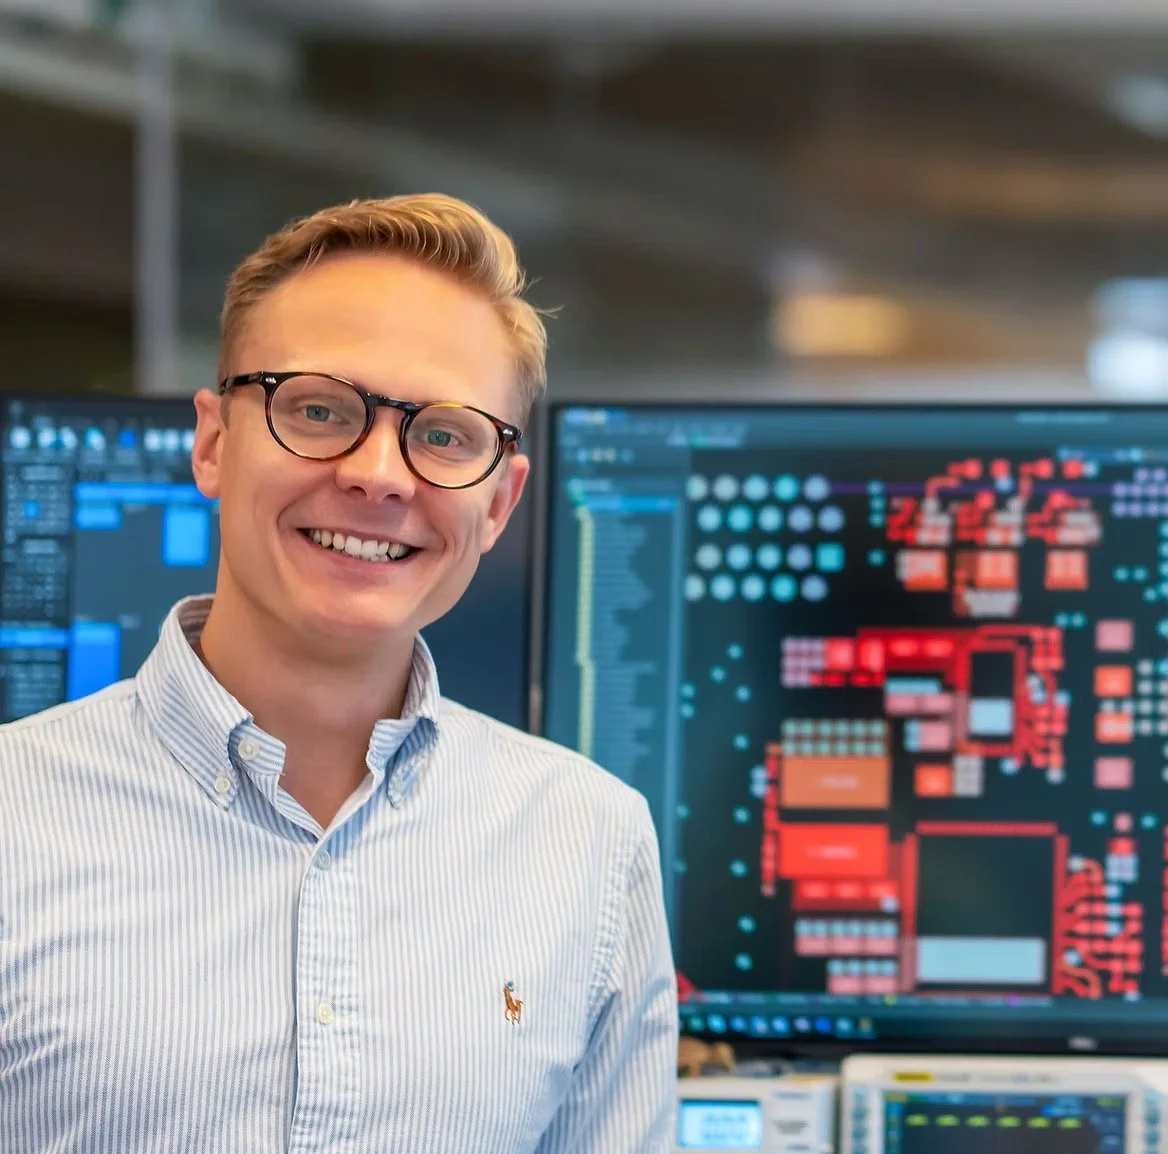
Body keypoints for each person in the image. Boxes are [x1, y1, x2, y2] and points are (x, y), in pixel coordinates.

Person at [0, 194, 678, 1152]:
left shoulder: (591, 845)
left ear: (498, 503)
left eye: (445, 435)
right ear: (213, 443)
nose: (380, 474)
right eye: (318, 410)